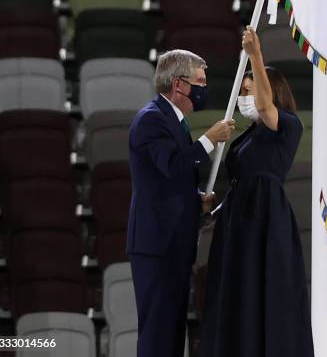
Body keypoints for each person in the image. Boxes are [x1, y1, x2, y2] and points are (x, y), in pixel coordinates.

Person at [199, 28, 315, 357]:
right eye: (243, 90)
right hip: (238, 221)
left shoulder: (288, 125)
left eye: (249, 89)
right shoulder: (248, 136)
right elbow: (239, 182)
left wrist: (255, 55)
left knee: (266, 292)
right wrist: (216, 209)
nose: (243, 97)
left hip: (266, 218)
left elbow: (266, 109)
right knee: (236, 296)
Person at [127, 50, 235, 357]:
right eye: (199, 82)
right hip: (157, 244)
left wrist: (195, 200)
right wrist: (210, 139)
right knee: (158, 334)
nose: (204, 88)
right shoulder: (151, 119)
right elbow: (172, 165)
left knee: (173, 333)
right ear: (178, 84)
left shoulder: (173, 121)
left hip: (173, 242)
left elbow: (168, 182)